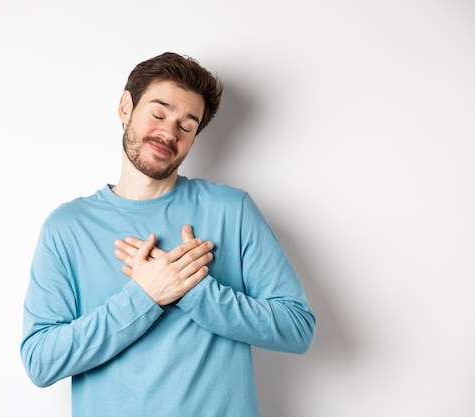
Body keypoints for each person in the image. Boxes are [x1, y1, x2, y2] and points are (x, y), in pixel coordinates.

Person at [21, 52, 315, 416]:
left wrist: (194, 290)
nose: (168, 133)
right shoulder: (67, 227)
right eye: (158, 114)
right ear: (126, 107)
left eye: (186, 126)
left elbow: (297, 327)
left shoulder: (231, 210)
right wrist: (145, 296)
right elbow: (40, 362)